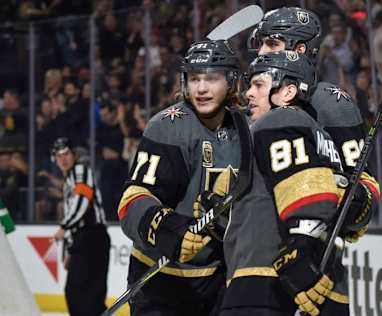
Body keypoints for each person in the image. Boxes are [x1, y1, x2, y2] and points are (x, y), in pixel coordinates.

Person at [118, 39, 243, 315]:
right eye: (194, 78)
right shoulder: (169, 126)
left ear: (232, 81)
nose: (200, 88)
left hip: (216, 279)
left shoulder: (244, 129)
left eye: (211, 78)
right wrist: (168, 228)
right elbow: (133, 199)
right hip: (159, 278)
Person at [221, 51, 346, 316]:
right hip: (324, 284)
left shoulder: (279, 120)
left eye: (259, 85)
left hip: (269, 281)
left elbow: (308, 193)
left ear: (288, 92)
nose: (248, 94)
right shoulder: (321, 136)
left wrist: (299, 251)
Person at [248, 6, 380, 244]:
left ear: (299, 50)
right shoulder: (256, 95)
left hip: (307, 247)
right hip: (253, 244)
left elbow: (365, 186)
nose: (260, 52)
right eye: (260, 43)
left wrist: (345, 200)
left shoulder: (330, 103)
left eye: (271, 44)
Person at [51, 137, 110, 316]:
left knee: (83, 294)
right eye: (59, 155)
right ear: (54, 159)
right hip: (83, 240)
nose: (63, 159)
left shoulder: (80, 171)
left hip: (92, 238)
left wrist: (64, 226)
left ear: (73, 155)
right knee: (81, 294)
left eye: (66, 153)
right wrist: (70, 249)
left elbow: (81, 202)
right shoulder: (69, 180)